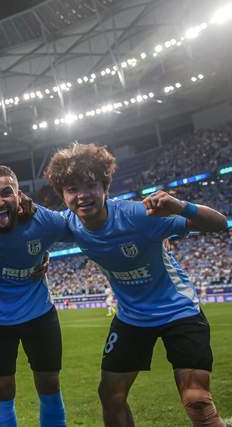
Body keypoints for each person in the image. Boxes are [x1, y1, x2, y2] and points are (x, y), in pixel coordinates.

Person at [44, 142, 227, 427]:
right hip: (132, 318)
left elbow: (219, 223)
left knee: (197, 400)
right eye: (72, 189)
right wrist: (37, 258)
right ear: (63, 195)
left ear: (105, 187)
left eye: (90, 185)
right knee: (110, 396)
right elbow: (28, 232)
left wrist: (181, 206)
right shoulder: (68, 224)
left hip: (179, 311)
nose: (82, 195)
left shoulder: (139, 216)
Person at [0, 165, 71, 427]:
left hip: (39, 315)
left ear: (18, 194)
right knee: (2, 388)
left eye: (6, 193)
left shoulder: (44, 221)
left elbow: (87, 223)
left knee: (49, 383)